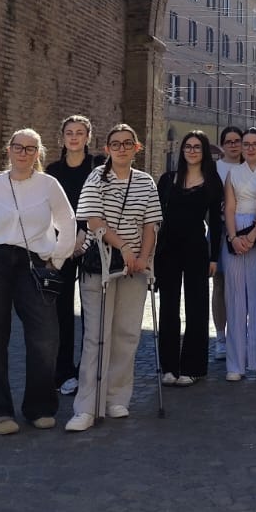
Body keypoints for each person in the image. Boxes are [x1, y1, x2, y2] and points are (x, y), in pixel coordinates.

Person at [0, 128, 77, 434]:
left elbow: (68, 222)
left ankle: (39, 407)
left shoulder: (49, 185)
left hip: (33, 264)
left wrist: (57, 260)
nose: (23, 153)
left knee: (45, 336)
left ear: (38, 153)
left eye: (30, 148)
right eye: (18, 147)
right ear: (9, 150)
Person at [66, 123, 163, 432]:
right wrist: (124, 248)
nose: (122, 148)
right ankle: (87, 405)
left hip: (135, 267)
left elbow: (151, 224)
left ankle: (116, 397)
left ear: (137, 148)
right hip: (102, 265)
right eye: (116, 144)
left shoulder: (145, 182)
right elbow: (93, 220)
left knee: (127, 333)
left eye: (127, 143)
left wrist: (143, 258)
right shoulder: (97, 177)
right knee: (96, 335)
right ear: (107, 149)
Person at [155, 131, 224, 387]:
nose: (192, 151)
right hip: (168, 249)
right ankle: (169, 367)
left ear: (204, 152)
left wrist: (214, 257)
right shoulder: (167, 179)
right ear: (182, 150)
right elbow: (155, 216)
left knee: (197, 307)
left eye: (197, 147)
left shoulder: (212, 181)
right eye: (188, 147)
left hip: (196, 248)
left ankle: (193, 367)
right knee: (168, 308)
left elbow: (215, 223)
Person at [45, 114, 98, 396]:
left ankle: (88, 370)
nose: (74, 137)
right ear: (62, 137)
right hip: (60, 245)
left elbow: (101, 203)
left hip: (92, 244)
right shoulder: (52, 171)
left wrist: (83, 233)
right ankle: (63, 371)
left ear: (88, 137)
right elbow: (48, 208)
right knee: (61, 310)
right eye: (69, 133)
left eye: (79, 132)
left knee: (91, 311)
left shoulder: (98, 166)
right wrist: (65, 239)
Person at [221, 126, 256, 382]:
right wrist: (233, 237)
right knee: (234, 297)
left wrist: (253, 235)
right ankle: (235, 362)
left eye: (255, 144)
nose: (250, 148)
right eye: (246, 144)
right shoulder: (233, 173)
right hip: (235, 231)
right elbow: (229, 208)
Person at [212, 125, 244, 359]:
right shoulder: (214, 169)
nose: (233, 145)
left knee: (243, 285)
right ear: (223, 145)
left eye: (237, 141)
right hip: (220, 230)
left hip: (246, 230)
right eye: (229, 141)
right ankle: (220, 337)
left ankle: (239, 333)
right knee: (220, 284)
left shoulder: (250, 166)